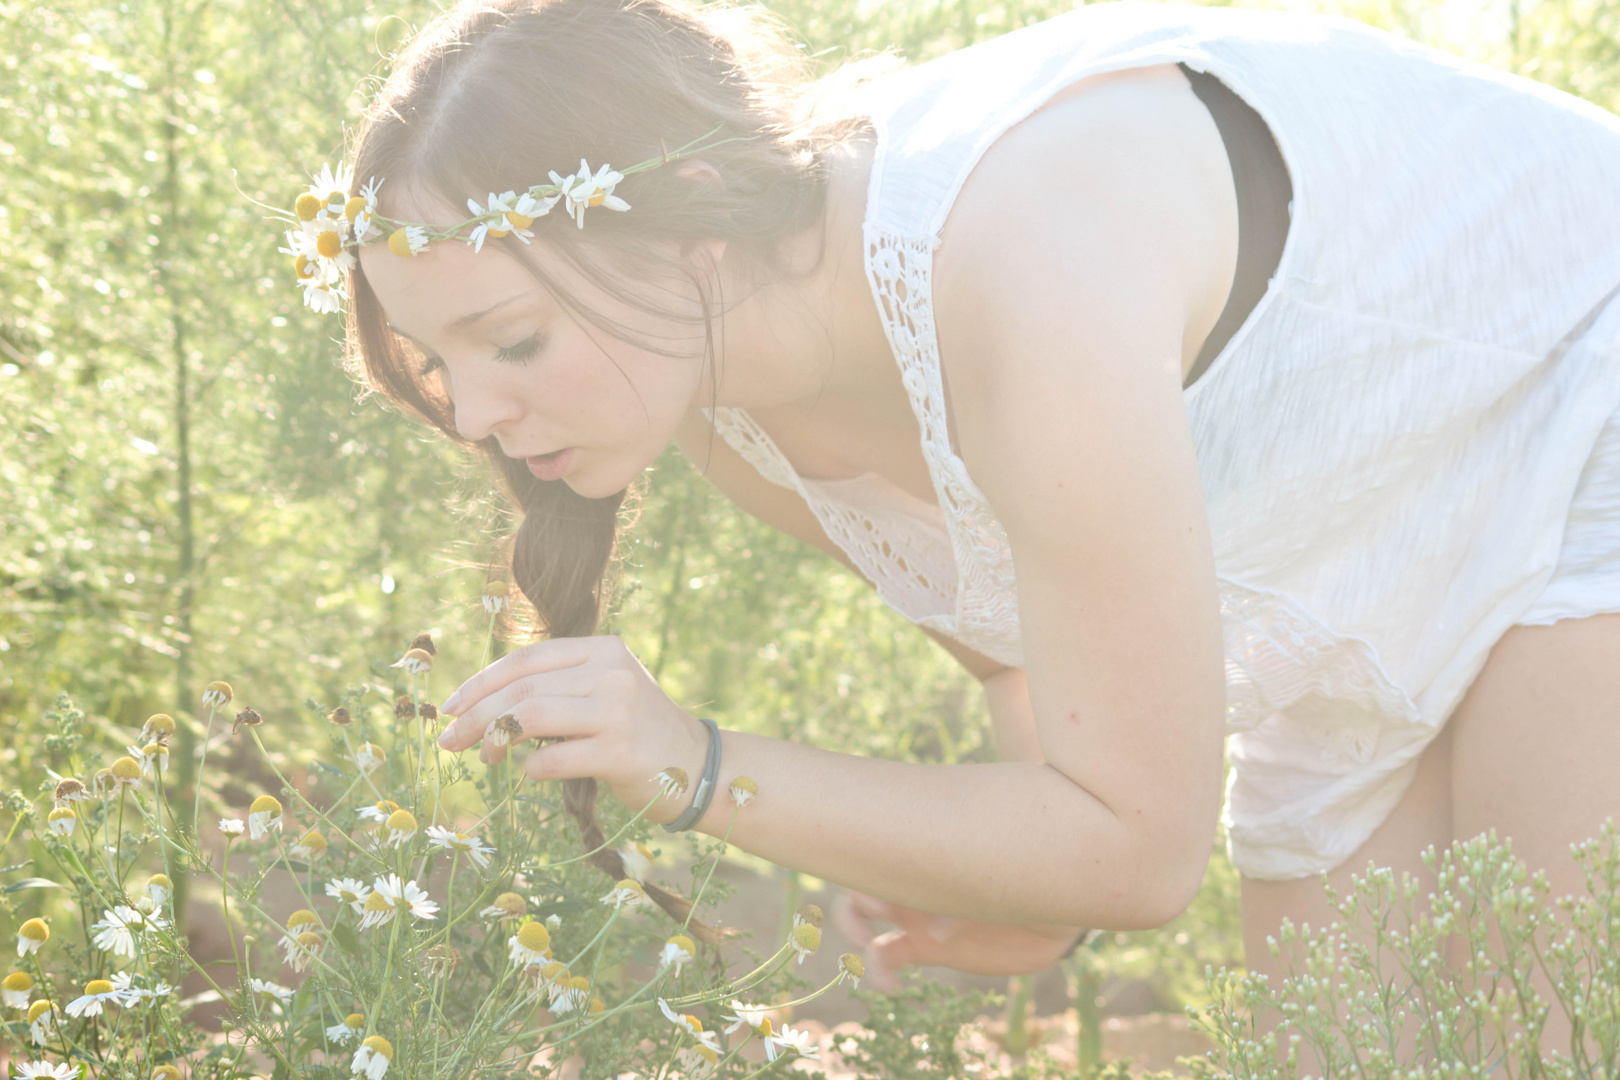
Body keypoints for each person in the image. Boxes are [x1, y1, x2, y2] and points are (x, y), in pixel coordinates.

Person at [306, 0, 1620, 992]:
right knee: (1357, 1052)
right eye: (439, 362)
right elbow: (1023, 673)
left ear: (692, 213)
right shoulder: (736, 423)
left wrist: (693, 766)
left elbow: (1138, 852)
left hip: (1579, 376)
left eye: (513, 340)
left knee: (1537, 1028)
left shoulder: (1012, 270)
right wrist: (1031, 885)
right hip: (1361, 508)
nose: (474, 415)